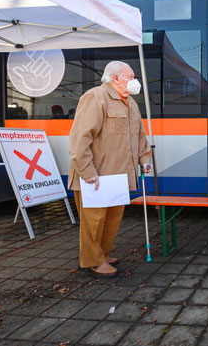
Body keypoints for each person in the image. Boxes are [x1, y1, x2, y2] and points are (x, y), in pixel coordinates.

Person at [68, 61, 151, 278]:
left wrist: (145, 159)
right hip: (96, 176)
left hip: (118, 176)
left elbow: (140, 136)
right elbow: (80, 139)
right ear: (116, 78)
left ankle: (103, 254)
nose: (135, 81)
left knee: (111, 220)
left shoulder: (130, 103)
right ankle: (93, 261)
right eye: (131, 76)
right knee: (94, 222)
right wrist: (87, 172)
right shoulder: (95, 97)